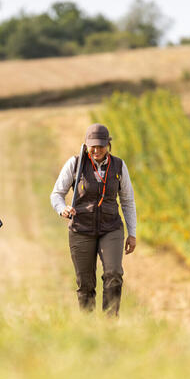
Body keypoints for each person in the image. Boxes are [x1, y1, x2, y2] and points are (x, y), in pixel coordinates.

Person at [51, 123, 137, 316]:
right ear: (86, 144)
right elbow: (56, 194)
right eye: (93, 146)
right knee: (85, 283)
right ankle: (88, 326)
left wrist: (132, 233)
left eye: (101, 145)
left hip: (111, 228)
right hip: (81, 230)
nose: (97, 150)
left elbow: (128, 201)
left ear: (108, 144)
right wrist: (62, 208)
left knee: (113, 274)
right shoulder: (74, 164)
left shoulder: (119, 166)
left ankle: (110, 323)